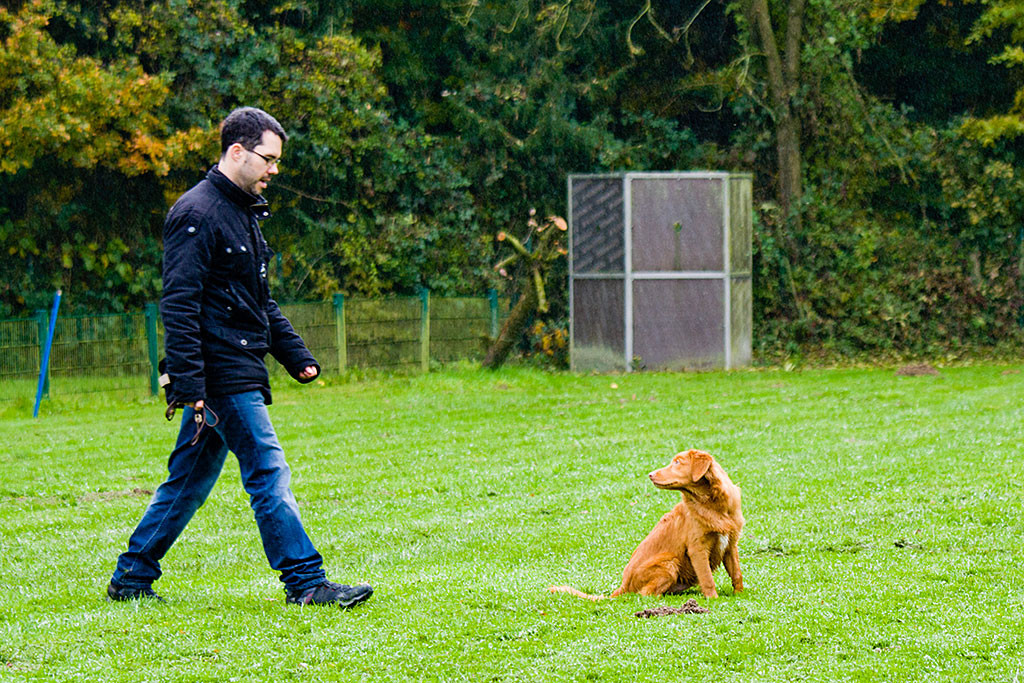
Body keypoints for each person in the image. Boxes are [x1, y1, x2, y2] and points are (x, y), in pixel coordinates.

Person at [107, 107, 372, 608]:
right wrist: (188, 386)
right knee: (268, 471)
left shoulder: (243, 212)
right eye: (268, 159)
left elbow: (257, 300)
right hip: (219, 373)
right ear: (237, 152)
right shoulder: (196, 213)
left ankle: (132, 576)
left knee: (188, 479)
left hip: (233, 366)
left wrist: (296, 356)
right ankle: (306, 582)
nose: (274, 170)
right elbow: (179, 305)